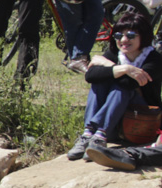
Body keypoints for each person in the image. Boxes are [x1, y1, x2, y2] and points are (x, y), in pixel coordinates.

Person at [66, 13, 161, 160]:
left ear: (143, 36)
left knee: (120, 86)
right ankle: (89, 134)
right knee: (100, 82)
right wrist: (125, 69)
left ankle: (100, 135)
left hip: (140, 121)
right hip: (117, 122)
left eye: (130, 35)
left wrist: (109, 66)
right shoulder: (116, 53)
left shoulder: (154, 59)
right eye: (118, 35)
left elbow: (128, 84)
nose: (123, 40)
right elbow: (90, 76)